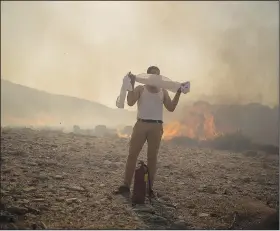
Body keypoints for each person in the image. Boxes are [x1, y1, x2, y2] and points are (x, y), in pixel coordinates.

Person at [114, 66, 183, 197]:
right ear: (148, 76)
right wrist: (132, 84)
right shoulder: (141, 89)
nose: (155, 77)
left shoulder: (163, 91)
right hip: (141, 124)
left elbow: (171, 107)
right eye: (152, 74)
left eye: (157, 75)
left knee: (152, 158)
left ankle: (149, 188)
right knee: (132, 154)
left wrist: (178, 92)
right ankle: (126, 185)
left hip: (156, 127)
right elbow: (130, 102)